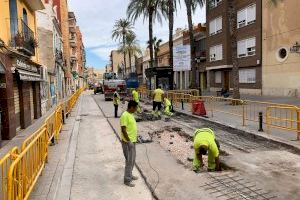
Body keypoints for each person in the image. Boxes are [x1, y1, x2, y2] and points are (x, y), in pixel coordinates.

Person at [120, 100, 139, 187]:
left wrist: (135, 137)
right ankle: (127, 180)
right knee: (129, 161)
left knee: (132, 160)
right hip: (128, 143)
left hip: (132, 141)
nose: (136, 109)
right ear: (131, 107)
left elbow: (131, 128)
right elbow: (123, 129)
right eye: (135, 107)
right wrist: (128, 141)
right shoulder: (124, 115)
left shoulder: (130, 115)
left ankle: (130, 175)